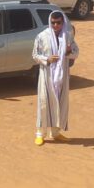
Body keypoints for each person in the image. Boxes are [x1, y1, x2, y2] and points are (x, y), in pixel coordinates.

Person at [32, 10, 78, 146]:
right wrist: (47, 59)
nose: (56, 25)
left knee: (60, 103)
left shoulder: (68, 36)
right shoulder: (42, 36)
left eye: (58, 23)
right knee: (44, 103)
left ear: (63, 23)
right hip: (47, 75)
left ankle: (55, 133)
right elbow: (35, 55)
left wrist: (69, 51)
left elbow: (76, 52)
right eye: (53, 23)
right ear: (50, 22)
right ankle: (40, 134)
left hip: (62, 76)